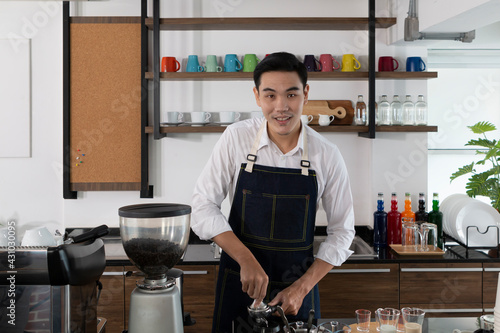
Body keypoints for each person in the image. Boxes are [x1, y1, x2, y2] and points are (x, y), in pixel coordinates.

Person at [191, 52, 355, 333]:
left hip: (298, 292)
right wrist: (245, 259)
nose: (282, 107)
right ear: (257, 96)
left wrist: (302, 287)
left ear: (305, 93)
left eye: (291, 95)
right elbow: (202, 207)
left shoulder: (327, 154)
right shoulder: (236, 138)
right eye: (270, 96)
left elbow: (342, 232)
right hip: (239, 284)